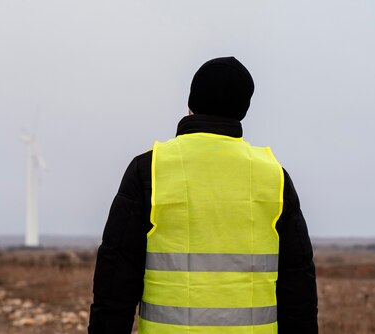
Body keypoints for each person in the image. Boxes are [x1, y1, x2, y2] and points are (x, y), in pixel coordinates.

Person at [88, 57, 318, 334]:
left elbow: (115, 282)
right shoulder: (274, 177)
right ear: (243, 110)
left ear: (191, 103)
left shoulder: (150, 170)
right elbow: (298, 289)